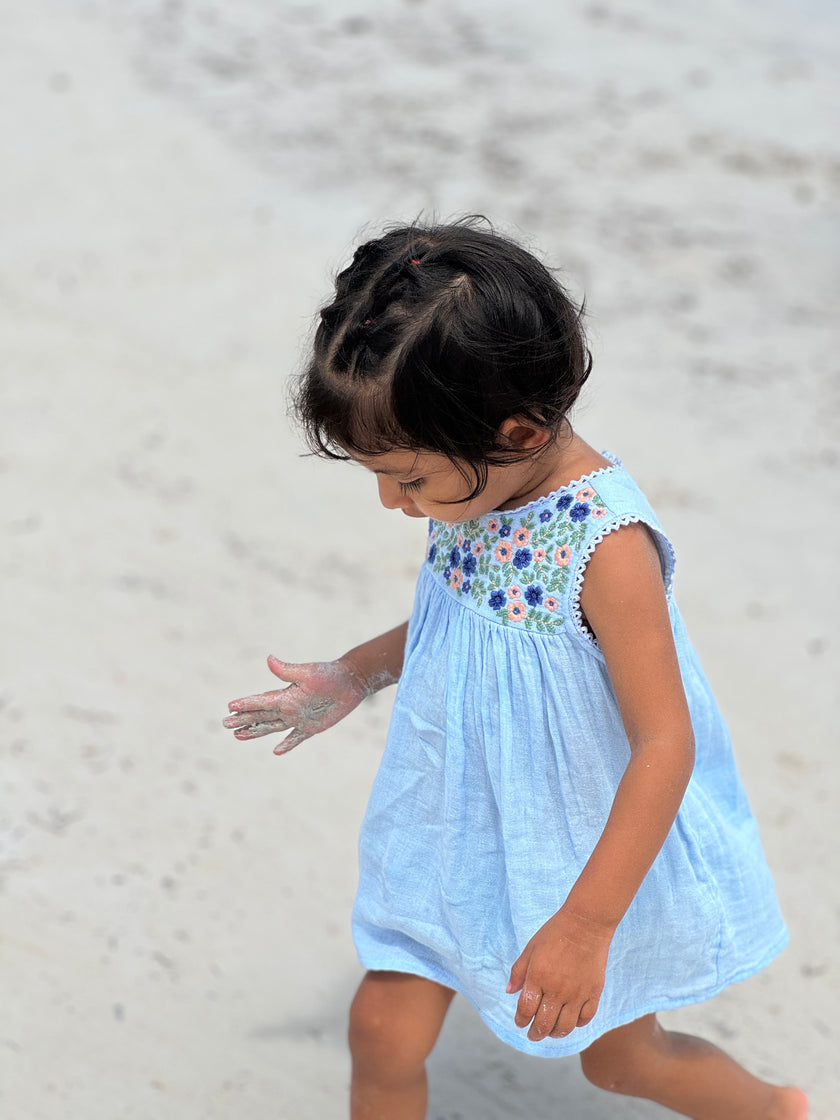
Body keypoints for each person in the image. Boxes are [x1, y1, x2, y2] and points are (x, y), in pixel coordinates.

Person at [223, 220, 807, 1119]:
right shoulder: (478, 477)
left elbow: (664, 744)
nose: (393, 501)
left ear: (519, 429)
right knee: (380, 1032)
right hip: (459, 820)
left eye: (407, 478)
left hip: (577, 850)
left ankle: (774, 1110)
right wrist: (355, 673)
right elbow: (466, 622)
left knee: (619, 1063)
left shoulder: (608, 547)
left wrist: (585, 925)